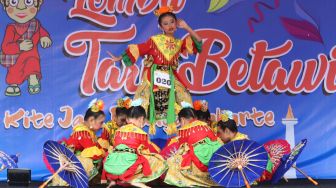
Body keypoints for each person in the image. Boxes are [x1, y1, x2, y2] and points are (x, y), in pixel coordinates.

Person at [108, 6, 202, 134]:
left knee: (185, 101)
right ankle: (133, 135)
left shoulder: (179, 43)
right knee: (141, 104)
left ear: (177, 23)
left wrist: (186, 27)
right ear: (161, 27)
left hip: (170, 77)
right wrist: (119, 57)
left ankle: (189, 135)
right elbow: (139, 48)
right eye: (165, 23)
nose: (170, 25)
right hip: (153, 77)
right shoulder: (155, 41)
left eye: (172, 22)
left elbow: (198, 41)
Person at [102, 98, 167, 188]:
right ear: (141, 119)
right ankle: (134, 180)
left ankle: (116, 181)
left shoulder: (118, 131)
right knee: (156, 159)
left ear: (127, 119)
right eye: (143, 121)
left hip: (114, 165)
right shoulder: (141, 133)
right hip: (130, 167)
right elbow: (145, 151)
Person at [49, 99, 106, 186]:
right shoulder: (83, 133)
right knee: (90, 160)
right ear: (91, 120)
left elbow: (96, 146)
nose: (102, 125)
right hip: (70, 160)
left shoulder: (88, 132)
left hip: (75, 157)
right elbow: (93, 151)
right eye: (101, 122)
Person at [0, 0, 52, 96]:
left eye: (28, 2)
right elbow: (5, 47)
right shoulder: (11, 28)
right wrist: (19, 46)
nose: (21, 7)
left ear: (38, 5)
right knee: (14, 73)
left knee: (32, 63)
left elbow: (42, 32)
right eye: (13, 2)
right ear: (4, 6)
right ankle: (14, 85)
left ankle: (33, 78)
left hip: (31, 55)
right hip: (16, 59)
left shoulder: (35, 25)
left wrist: (44, 37)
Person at [164, 102, 221, 187]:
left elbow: (181, 147)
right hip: (214, 162)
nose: (181, 125)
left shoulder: (184, 130)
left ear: (182, 119)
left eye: (180, 122)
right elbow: (215, 140)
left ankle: (190, 182)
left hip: (198, 163)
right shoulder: (205, 125)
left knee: (174, 159)